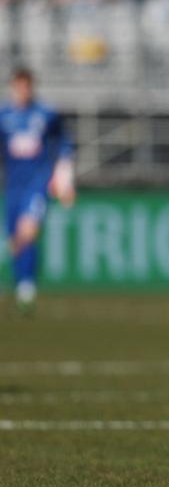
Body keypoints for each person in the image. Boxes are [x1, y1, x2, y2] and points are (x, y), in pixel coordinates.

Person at [1, 67, 76, 313]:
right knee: (16, 237)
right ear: (13, 87)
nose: (23, 91)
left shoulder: (46, 114)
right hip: (13, 186)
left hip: (38, 184)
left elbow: (64, 146)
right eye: (19, 86)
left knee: (27, 232)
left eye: (27, 86)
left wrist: (64, 182)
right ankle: (21, 284)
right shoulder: (4, 116)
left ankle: (27, 289)